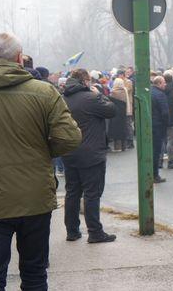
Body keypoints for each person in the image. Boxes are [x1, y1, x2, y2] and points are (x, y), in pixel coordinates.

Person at [0, 33, 81, 290]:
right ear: (20, 59)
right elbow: (69, 138)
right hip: (34, 199)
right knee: (35, 274)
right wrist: (43, 152)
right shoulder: (45, 92)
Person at [62, 68, 117, 244]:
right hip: (92, 153)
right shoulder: (91, 98)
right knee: (92, 193)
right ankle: (95, 232)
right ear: (86, 81)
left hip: (69, 151)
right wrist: (99, 94)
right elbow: (111, 110)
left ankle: (72, 230)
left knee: (72, 192)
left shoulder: (63, 98)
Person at [151, 76, 170, 182]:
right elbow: (165, 113)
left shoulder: (150, 92)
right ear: (158, 84)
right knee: (156, 151)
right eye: (163, 83)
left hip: (151, 125)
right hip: (158, 126)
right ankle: (155, 175)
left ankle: (151, 173)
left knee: (151, 150)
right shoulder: (160, 95)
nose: (165, 84)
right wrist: (166, 125)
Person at [108, 78, 130, 152]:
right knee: (123, 129)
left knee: (116, 130)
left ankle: (117, 147)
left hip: (116, 114)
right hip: (123, 112)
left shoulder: (114, 92)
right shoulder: (125, 91)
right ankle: (124, 146)